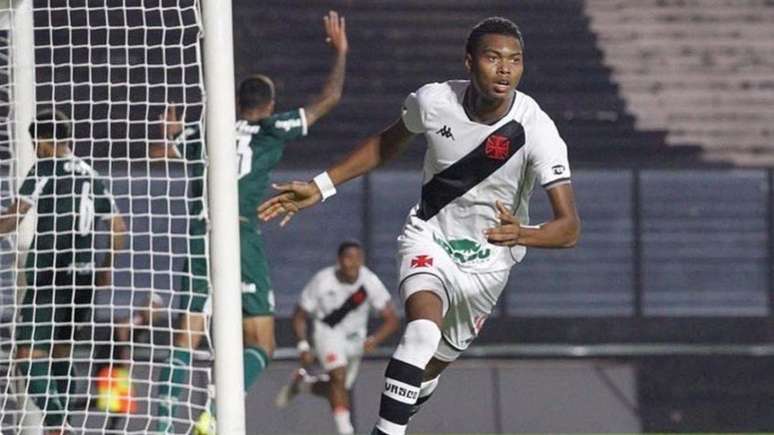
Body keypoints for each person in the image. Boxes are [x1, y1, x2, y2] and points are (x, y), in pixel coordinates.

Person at [258, 16, 582, 435]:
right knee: (422, 335)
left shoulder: (537, 130)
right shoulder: (433, 101)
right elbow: (387, 141)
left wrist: (523, 233)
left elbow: (569, 227)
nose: (505, 69)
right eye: (493, 57)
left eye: (515, 60)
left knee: (427, 372)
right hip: (429, 237)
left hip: (490, 265)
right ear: (469, 62)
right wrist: (322, 186)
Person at [154, 10, 349, 434]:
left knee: (188, 332)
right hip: (240, 233)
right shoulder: (272, 129)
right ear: (270, 106)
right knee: (261, 342)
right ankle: (216, 415)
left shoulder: (207, 130)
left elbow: (160, 151)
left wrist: (171, 133)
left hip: (198, 233)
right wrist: (341, 53)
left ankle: (166, 418)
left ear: (237, 104)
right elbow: (329, 100)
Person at [0, 109, 126, 435]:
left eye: (35, 142)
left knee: (28, 355)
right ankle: (64, 423)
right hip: (83, 279)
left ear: (44, 140)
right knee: (60, 352)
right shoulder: (92, 174)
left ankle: (58, 427)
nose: (34, 148)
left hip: (51, 277)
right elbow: (118, 227)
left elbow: (14, 217)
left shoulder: (44, 168)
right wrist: (105, 268)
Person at [275, 240, 399, 434]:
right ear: (339, 260)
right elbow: (299, 315)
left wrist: (375, 340)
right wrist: (303, 345)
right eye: (349, 258)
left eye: (358, 258)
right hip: (327, 333)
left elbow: (391, 319)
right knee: (338, 377)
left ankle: (303, 385)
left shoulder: (369, 281)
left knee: (337, 387)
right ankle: (346, 431)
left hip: (356, 339)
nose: (353, 263)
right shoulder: (323, 281)